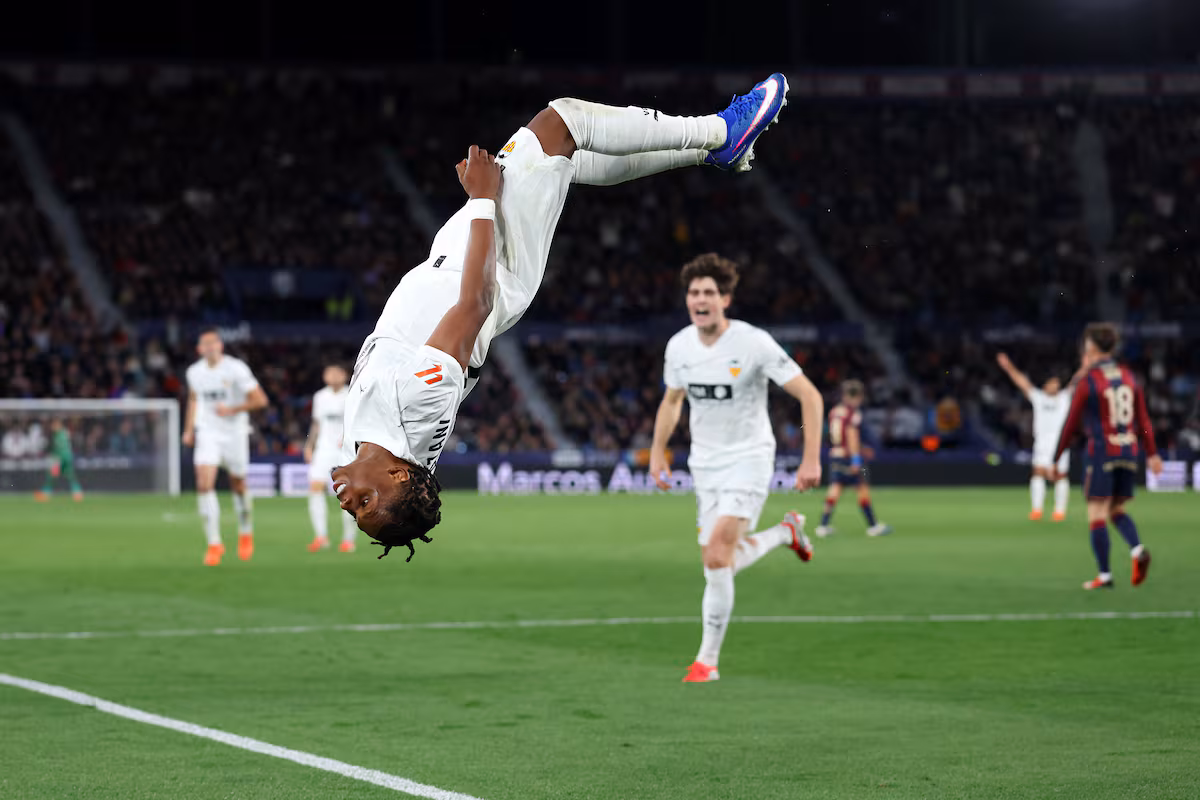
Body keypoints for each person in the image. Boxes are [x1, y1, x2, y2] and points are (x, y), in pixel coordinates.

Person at [332, 73, 791, 561]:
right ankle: (721, 132)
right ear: (400, 474)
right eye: (366, 501)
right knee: (561, 123)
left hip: (452, 260)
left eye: (354, 511)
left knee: (562, 159)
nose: (348, 500)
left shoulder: (359, 451)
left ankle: (713, 152)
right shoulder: (418, 405)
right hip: (494, 267)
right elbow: (475, 304)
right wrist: (483, 199)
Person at [648, 253, 823, 684]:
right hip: (705, 464)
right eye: (693, 292)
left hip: (749, 457)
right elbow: (672, 402)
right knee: (718, 560)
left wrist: (812, 458)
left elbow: (810, 396)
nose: (700, 299)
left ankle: (707, 662)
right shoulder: (679, 346)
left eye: (709, 292)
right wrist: (657, 452)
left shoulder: (753, 343)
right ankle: (786, 532)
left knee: (716, 553)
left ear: (725, 299)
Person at [1053, 323, 1162, 590]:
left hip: (1102, 450)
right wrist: (1152, 453)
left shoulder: (1088, 381)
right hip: (1128, 450)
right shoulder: (1129, 376)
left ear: (1091, 348)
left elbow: (1070, 424)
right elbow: (1144, 419)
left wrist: (1057, 457)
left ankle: (1104, 575)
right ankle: (1136, 550)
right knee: (1116, 509)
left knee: (1097, 513)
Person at [183, 328, 269, 566]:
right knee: (203, 483)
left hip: (234, 434)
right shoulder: (194, 372)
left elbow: (260, 399)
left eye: (214, 343)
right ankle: (214, 543)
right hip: (207, 433)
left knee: (239, 486)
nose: (210, 347)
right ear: (199, 349)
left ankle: (245, 531)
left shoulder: (235, 368)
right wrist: (189, 429)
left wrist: (231, 410)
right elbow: (193, 399)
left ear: (220, 346)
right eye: (205, 344)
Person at [996, 352, 1074, 521]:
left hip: (1060, 442)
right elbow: (1022, 382)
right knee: (1038, 473)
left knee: (1060, 475)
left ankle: (1059, 511)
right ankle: (1037, 510)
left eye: (1056, 382)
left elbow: (1078, 380)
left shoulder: (1064, 398)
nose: (1055, 385)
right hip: (1042, 443)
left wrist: (1089, 364)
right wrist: (1008, 366)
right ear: (1045, 385)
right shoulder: (1038, 397)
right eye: (1052, 382)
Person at [815, 380, 891, 538]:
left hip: (835, 455)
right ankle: (873, 525)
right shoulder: (853, 414)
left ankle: (823, 525)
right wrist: (857, 458)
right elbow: (852, 437)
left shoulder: (834, 412)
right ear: (856, 396)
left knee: (835, 488)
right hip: (849, 457)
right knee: (862, 487)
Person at [304, 365, 356, 553]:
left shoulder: (353, 392)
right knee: (315, 488)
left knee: (347, 493)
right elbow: (317, 424)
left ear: (344, 375)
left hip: (345, 451)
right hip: (323, 450)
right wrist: (309, 446)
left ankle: (348, 539)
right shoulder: (320, 397)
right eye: (329, 373)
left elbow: (358, 421)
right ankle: (321, 537)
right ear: (325, 376)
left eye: (337, 373)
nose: (333, 376)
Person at [33, 418, 83, 502]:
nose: (52, 427)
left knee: (52, 475)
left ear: (58, 425)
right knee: (69, 476)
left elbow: (59, 448)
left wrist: (56, 458)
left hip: (61, 458)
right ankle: (77, 493)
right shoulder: (64, 432)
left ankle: (45, 494)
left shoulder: (59, 435)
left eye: (54, 425)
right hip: (67, 457)